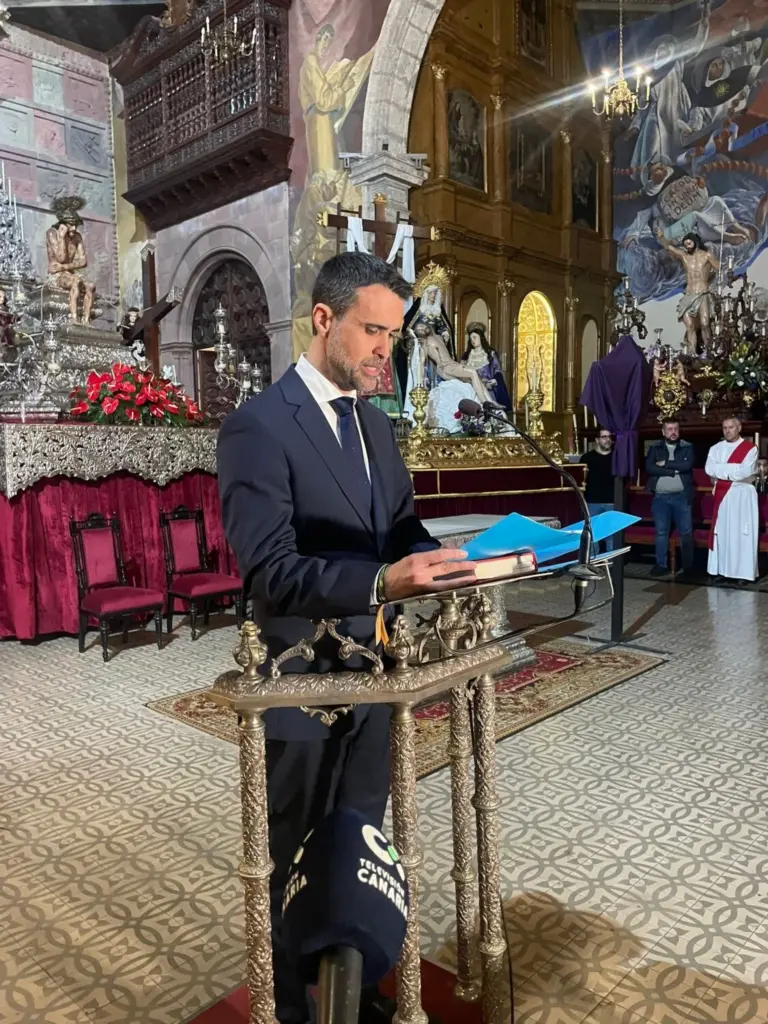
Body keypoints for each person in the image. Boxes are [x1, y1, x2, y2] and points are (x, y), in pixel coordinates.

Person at [217, 252, 476, 1024]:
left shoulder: (374, 423)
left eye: (393, 337)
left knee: (361, 846)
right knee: (293, 852)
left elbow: (396, 528)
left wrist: (452, 559)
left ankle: (356, 993)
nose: (383, 352)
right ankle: (294, 1007)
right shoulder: (257, 427)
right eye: (373, 331)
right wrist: (377, 585)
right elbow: (271, 571)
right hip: (297, 682)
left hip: (378, 677)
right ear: (323, 320)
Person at [706, 416, 758, 584]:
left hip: (742, 495)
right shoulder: (715, 448)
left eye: (731, 427)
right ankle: (722, 570)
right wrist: (732, 470)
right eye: (725, 428)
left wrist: (722, 470)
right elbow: (709, 469)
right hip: (723, 496)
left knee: (741, 533)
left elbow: (746, 471)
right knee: (722, 532)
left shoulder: (750, 449)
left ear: (739, 428)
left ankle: (742, 573)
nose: (728, 431)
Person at [645, 418, 696, 578]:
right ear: (663, 432)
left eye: (675, 429)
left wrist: (665, 463)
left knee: (686, 532)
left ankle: (688, 568)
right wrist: (673, 470)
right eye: (669, 429)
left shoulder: (687, 446)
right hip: (660, 498)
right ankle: (661, 565)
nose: (673, 432)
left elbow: (687, 466)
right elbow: (650, 467)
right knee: (661, 532)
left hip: (682, 497)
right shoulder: (655, 447)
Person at [580, 429, 617, 552]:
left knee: (611, 535)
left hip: (612, 501)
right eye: (604, 437)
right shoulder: (587, 458)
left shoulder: (617, 458)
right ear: (597, 440)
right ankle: (594, 564)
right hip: (592, 501)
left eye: (609, 437)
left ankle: (612, 565)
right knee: (593, 535)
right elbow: (581, 480)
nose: (607, 440)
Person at [461, 322, 512, 409]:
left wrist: (493, 381)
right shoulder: (466, 356)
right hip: (471, 390)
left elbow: (497, 370)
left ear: (481, 337)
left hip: (487, 390)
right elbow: (462, 373)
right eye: (471, 338)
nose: (472, 340)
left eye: (475, 337)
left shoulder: (490, 353)